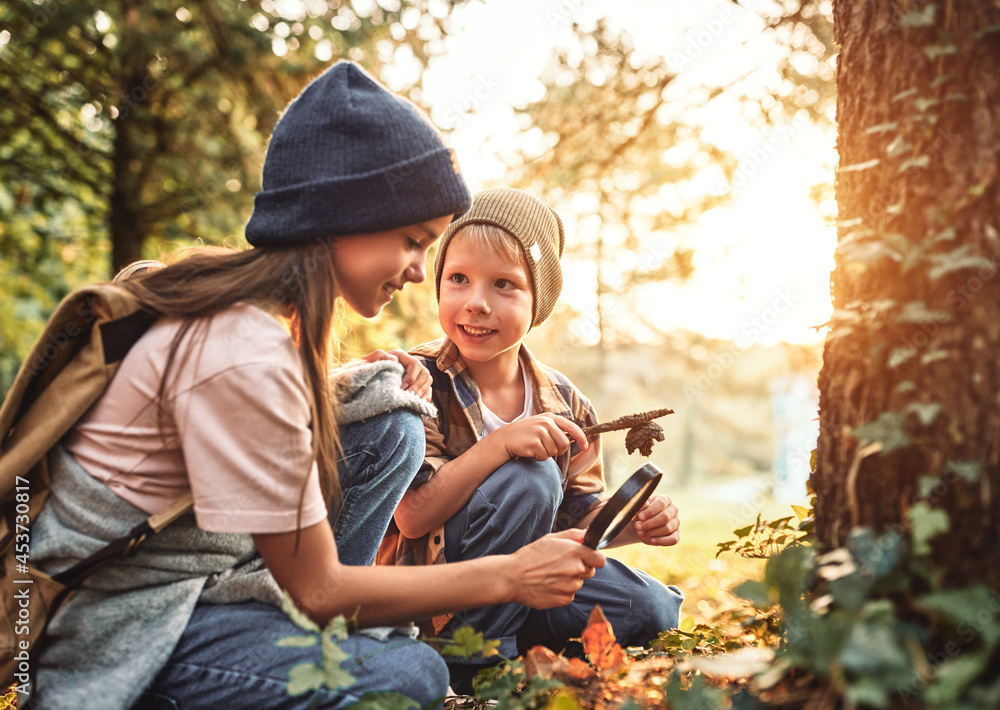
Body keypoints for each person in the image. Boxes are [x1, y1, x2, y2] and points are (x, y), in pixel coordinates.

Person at [24, 63, 605, 710]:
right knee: (412, 676)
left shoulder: (249, 324)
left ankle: (325, 643)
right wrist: (510, 576)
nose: (418, 272)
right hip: (125, 625)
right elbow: (320, 589)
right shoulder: (244, 353)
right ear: (340, 219)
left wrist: (354, 385)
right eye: (413, 242)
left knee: (391, 421)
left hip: (204, 582)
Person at [377, 187, 684, 690]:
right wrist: (500, 445)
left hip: (526, 586)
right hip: (438, 597)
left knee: (649, 608)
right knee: (531, 474)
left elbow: (582, 516)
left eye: (504, 285)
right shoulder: (420, 379)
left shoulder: (566, 401)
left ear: (538, 302)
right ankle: (474, 665)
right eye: (458, 279)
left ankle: (521, 642)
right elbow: (412, 517)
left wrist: (632, 525)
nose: (476, 303)